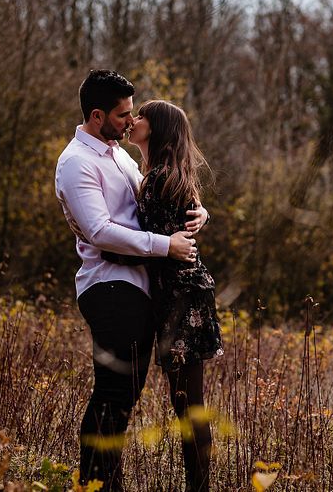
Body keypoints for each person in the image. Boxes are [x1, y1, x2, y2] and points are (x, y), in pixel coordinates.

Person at [54, 70, 208, 491]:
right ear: (97, 114)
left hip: (139, 287)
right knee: (114, 393)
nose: (129, 121)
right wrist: (166, 246)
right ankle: (95, 484)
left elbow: (156, 199)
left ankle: (107, 483)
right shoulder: (76, 163)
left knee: (126, 398)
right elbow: (101, 232)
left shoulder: (118, 154)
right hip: (107, 286)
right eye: (122, 115)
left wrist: (199, 213)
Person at [125, 99, 223, 492]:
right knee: (188, 404)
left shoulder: (158, 179)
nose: (133, 121)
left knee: (188, 405)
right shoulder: (167, 176)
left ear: (157, 128)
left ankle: (199, 487)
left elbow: (148, 243)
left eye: (141, 117)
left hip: (180, 301)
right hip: (184, 297)